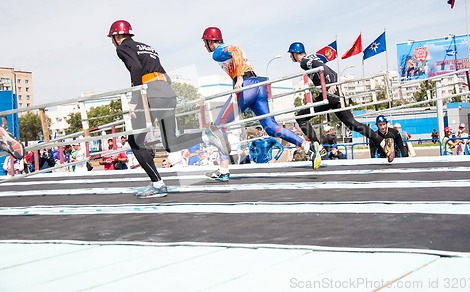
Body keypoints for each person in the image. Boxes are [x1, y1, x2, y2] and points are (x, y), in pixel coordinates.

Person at [108, 20, 230, 198]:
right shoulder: (148, 47)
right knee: (170, 143)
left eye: (112, 38)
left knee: (135, 141)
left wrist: (135, 98)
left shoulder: (123, 47)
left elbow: (135, 68)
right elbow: (166, 76)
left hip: (150, 94)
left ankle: (157, 185)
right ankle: (207, 135)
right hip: (167, 93)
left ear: (117, 36)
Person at [201, 27, 320, 182]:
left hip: (247, 86)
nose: (204, 46)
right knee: (271, 127)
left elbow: (236, 50)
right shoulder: (221, 52)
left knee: (219, 126)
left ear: (211, 41)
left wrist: (238, 79)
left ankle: (223, 171)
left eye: (205, 42)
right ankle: (307, 146)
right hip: (258, 86)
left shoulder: (218, 52)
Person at [287, 42, 395, 163]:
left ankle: (319, 148)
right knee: (352, 123)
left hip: (327, 95)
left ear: (295, 53)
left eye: (291, 54)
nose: (291, 57)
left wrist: (330, 85)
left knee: (301, 117)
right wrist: (333, 84)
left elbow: (322, 67)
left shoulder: (304, 62)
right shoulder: (313, 56)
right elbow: (333, 72)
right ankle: (382, 142)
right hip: (334, 94)